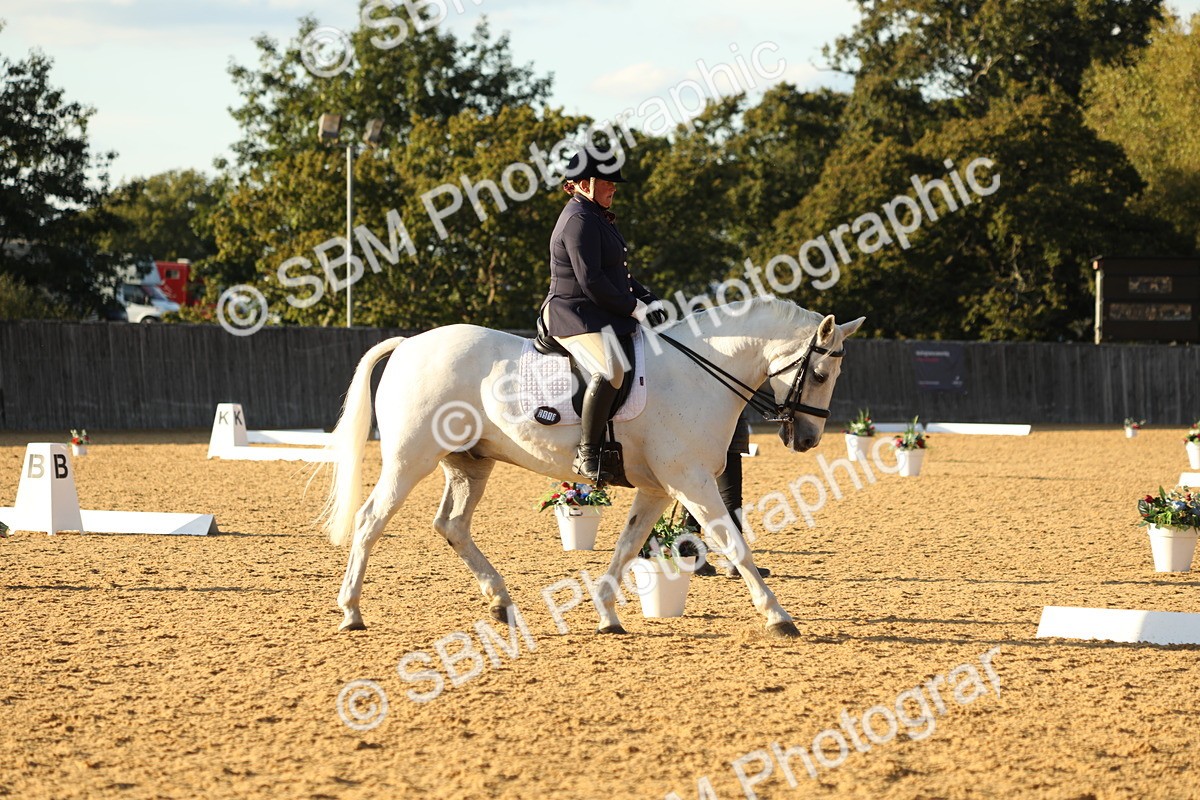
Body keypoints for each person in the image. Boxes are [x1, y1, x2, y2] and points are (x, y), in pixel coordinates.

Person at [540, 148, 667, 483]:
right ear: (585, 184)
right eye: (607, 182)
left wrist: (647, 298)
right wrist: (632, 307)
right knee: (611, 369)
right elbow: (592, 280)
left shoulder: (595, 216)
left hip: (595, 311)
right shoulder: (578, 220)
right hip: (572, 313)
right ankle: (588, 453)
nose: (613, 188)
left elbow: (618, 275)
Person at [684, 407, 769, 578]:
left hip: (695, 430)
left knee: (693, 494)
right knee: (730, 498)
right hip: (725, 432)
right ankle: (736, 562)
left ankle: (692, 557)